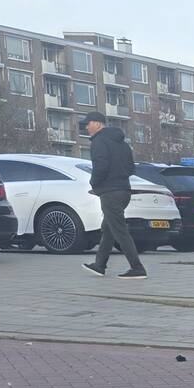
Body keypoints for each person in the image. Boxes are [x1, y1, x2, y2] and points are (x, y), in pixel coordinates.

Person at [80, 112, 146, 280]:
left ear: (97, 123)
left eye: (88, 124)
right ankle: (99, 265)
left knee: (119, 230)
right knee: (109, 229)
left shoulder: (99, 141)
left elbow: (100, 165)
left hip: (110, 193)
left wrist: (95, 183)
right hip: (124, 191)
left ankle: (137, 268)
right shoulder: (123, 144)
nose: (86, 127)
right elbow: (131, 168)